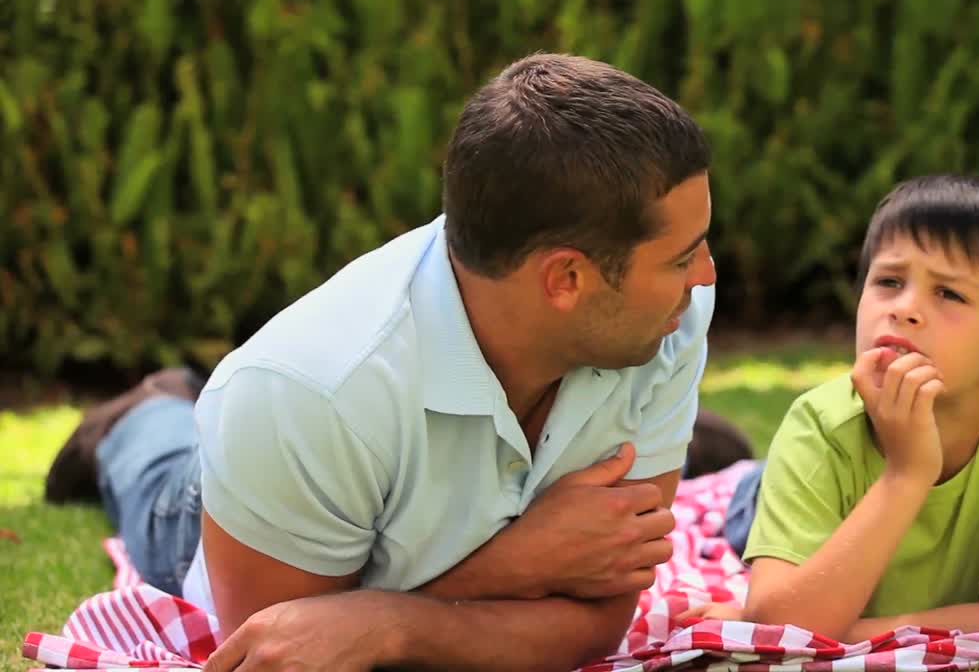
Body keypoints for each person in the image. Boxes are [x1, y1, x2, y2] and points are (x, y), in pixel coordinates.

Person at [44, 53, 743, 671]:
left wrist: (382, 622)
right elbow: (289, 648)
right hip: (236, 503)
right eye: (682, 257)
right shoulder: (306, 393)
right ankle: (141, 414)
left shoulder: (672, 315)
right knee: (166, 480)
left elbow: (596, 624)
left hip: (371, 500)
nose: (707, 275)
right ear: (565, 280)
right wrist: (518, 565)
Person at [686, 175, 979, 642]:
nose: (904, 307)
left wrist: (852, 630)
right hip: (790, 503)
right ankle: (720, 461)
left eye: (949, 293)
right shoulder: (820, 423)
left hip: (839, 538)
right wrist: (907, 473)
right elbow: (780, 623)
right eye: (889, 281)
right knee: (743, 510)